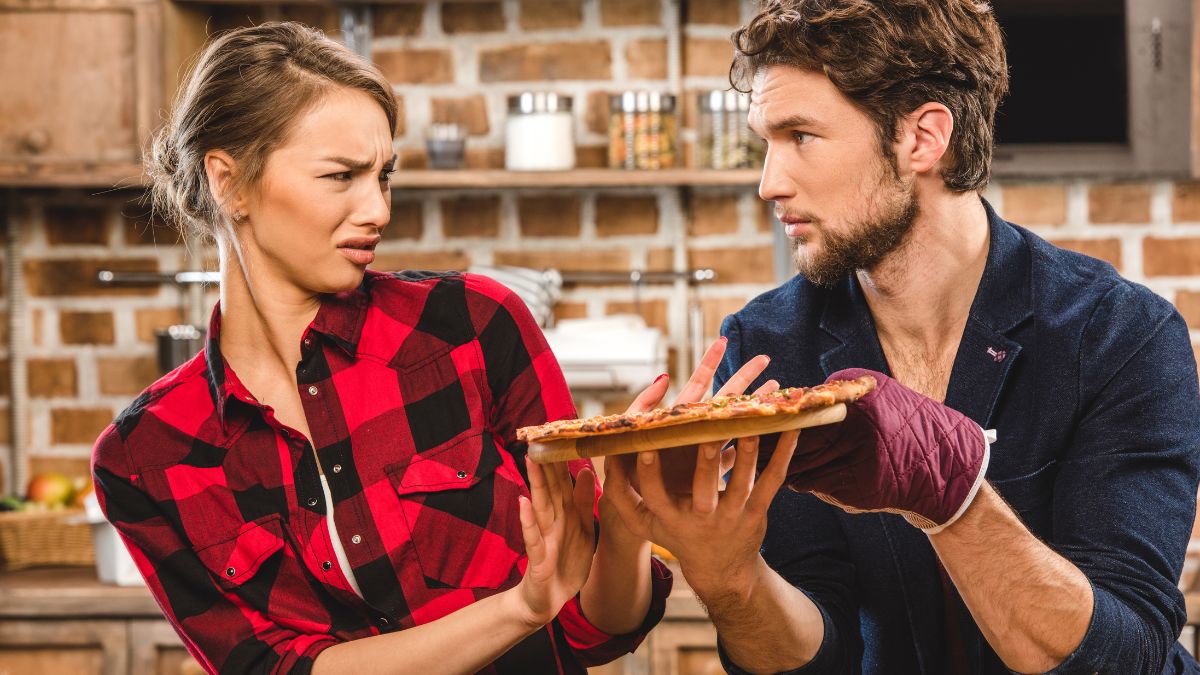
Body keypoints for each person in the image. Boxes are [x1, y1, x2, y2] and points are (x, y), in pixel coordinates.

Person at [603, 1, 1200, 673]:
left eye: (800, 135)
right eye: (765, 142)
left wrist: (956, 495)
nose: (769, 183)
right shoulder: (770, 344)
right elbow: (822, 654)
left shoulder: (1121, 335)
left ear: (922, 138)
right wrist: (732, 580)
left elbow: (1125, 655)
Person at [89, 22, 701, 675]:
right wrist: (519, 607)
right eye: (342, 176)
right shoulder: (143, 457)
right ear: (227, 181)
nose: (377, 208)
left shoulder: (471, 326)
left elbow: (593, 624)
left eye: (383, 175)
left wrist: (628, 530)